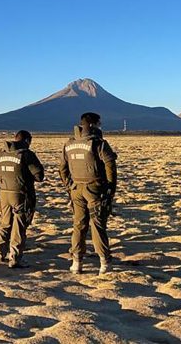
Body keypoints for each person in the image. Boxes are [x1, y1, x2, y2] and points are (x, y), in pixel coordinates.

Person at [59, 112, 117, 275]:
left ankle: (76, 262)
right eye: (99, 123)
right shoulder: (98, 143)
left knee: (79, 225)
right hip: (95, 189)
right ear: (93, 124)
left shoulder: (69, 144)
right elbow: (110, 166)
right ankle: (104, 262)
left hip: (76, 189)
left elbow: (62, 168)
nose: (101, 126)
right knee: (98, 225)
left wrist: (69, 186)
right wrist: (110, 188)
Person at [0, 130, 44, 268]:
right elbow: (39, 176)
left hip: (4, 193)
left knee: (5, 222)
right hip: (21, 194)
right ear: (27, 141)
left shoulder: (0, 153)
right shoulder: (26, 155)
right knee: (19, 225)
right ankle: (15, 258)